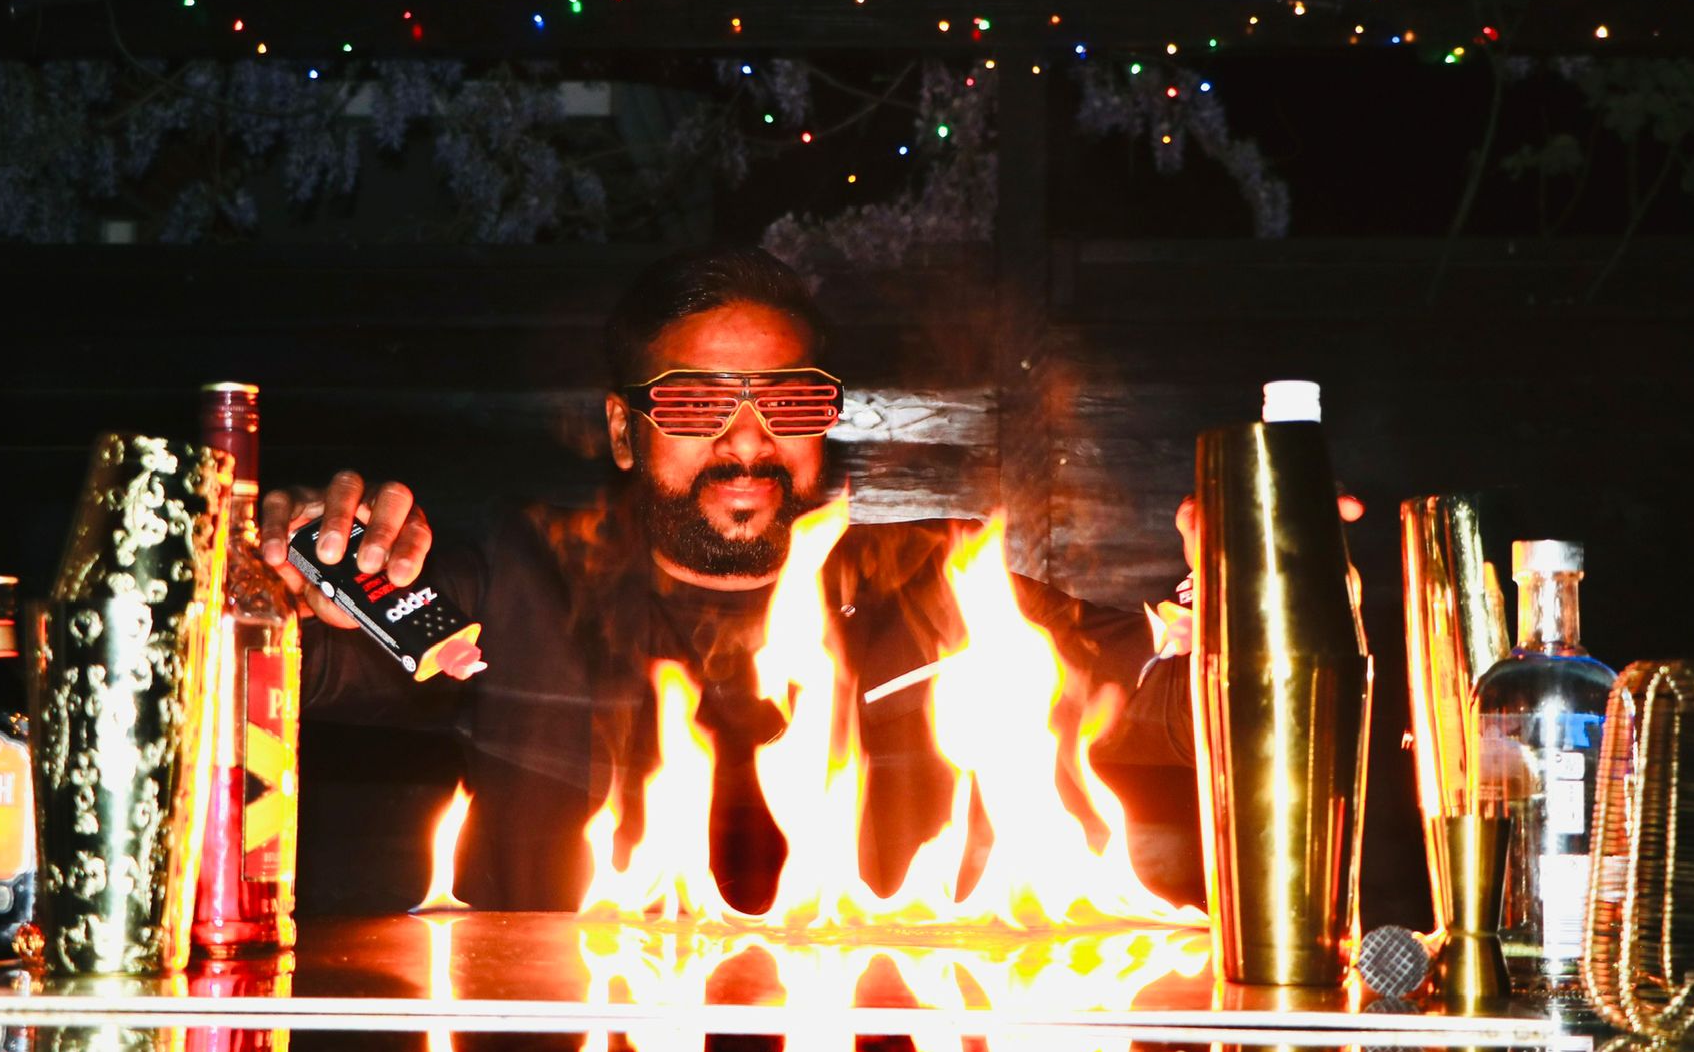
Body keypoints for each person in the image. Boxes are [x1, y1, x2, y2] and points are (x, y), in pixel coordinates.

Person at [262, 246, 1195, 911]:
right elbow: (290, 674)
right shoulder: (520, 585)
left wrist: (1261, 604)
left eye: (787, 401)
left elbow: (1182, 700)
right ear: (625, 431)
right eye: (697, 402)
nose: (748, 442)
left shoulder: (941, 581)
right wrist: (274, 584)